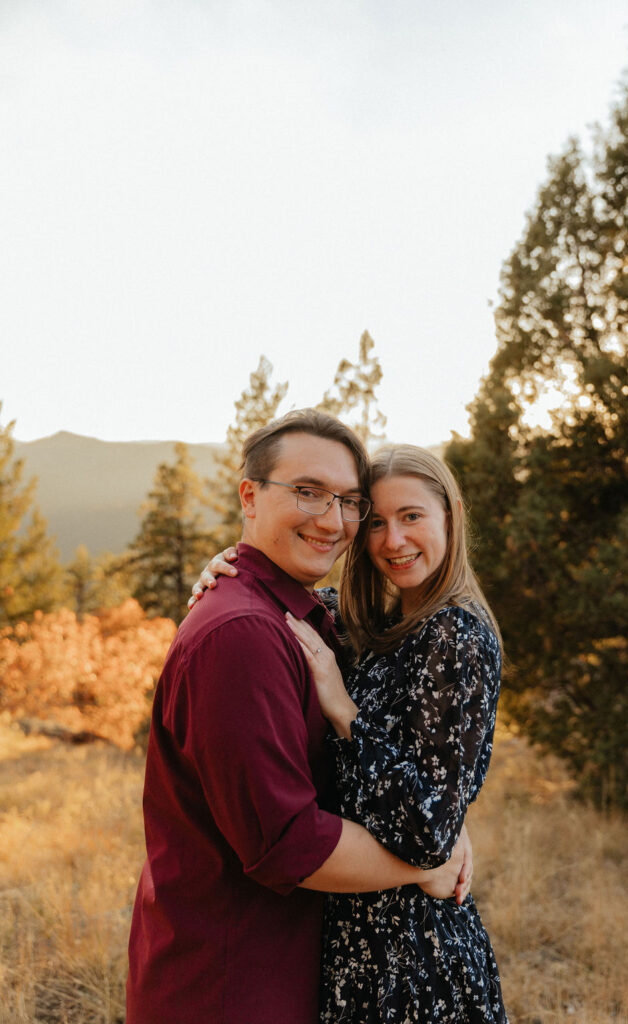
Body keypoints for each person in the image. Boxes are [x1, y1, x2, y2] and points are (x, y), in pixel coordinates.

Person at [127, 410, 472, 1024]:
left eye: (348, 501)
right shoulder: (242, 633)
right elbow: (288, 844)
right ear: (250, 496)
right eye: (308, 492)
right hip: (230, 987)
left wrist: (438, 817)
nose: (332, 520)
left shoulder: (307, 618)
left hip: (279, 972)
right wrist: (428, 860)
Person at [195, 443, 507, 1022]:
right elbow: (282, 596)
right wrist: (226, 565)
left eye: (412, 516)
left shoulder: (456, 637)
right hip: (357, 940)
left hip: (413, 958)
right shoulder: (377, 622)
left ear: (451, 516)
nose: (393, 541)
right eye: (377, 522)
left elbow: (429, 831)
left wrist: (346, 713)